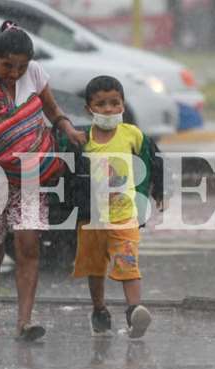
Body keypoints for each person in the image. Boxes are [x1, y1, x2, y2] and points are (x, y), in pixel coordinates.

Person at [0, 21, 86, 341]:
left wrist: (68, 130)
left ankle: (25, 321)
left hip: (27, 176)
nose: (14, 73)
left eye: (21, 67)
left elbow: (52, 110)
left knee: (28, 245)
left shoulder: (35, 73)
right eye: (7, 65)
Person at [72, 75, 154, 339]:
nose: (108, 109)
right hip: (91, 218)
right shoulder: (82, 139)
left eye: (114, 103)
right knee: (95, 268)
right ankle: (99, 309)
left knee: (128, 263)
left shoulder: (133, 135)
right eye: (101, 104)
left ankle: (134, 311)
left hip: (124, 216)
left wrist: (156, 192)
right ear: (89, 109)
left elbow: (151, 163)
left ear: (123, 105)